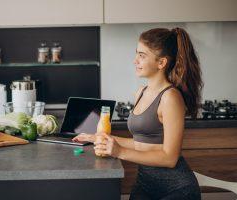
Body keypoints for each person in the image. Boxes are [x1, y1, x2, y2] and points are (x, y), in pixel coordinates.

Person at [73, 27, 203, 199]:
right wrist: (96, 137)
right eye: (137, 54)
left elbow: (170, 158)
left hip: (176, 190)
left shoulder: (170, 97)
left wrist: (119, 151)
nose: (135, 61)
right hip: (145, 185)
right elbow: (141, 143)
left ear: (161, 63)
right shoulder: (141, 92)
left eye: (142, 55)